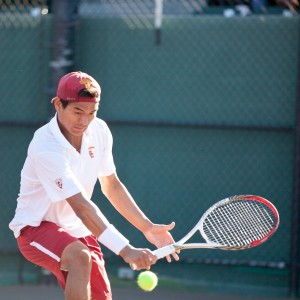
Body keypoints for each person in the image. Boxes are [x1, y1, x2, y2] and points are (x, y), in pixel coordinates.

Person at [9, 71, 179, 300]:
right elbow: (80, 205)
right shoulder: (45, 146)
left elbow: (111, 185)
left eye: (92, 112)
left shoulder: (99, 131)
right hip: (35, 228)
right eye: (78, 111)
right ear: (58, 104)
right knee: (80, 257)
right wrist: (125, 249)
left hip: (77, 229)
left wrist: (146, 227)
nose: (84, 121)